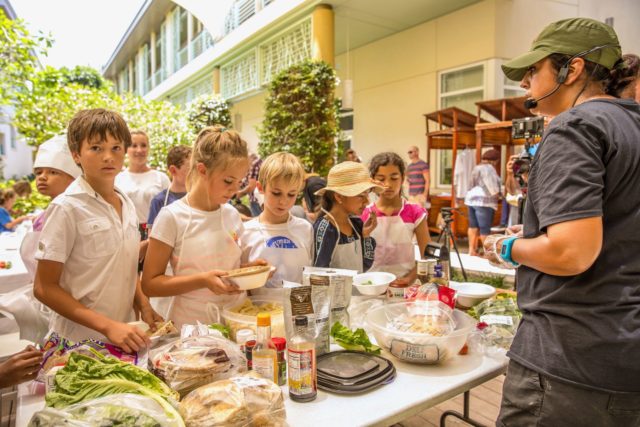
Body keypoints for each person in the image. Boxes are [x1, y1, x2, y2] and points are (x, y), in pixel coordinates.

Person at [486, 18, 640, 426]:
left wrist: (508, 247)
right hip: (623, 354)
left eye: (533, 70)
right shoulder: (632, 125)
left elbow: (571, 253)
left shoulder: (575, 126)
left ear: (571, 70)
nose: (525, 84)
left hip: (566, 364)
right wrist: (537, 232)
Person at [34, 109, 156, 352]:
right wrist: (108, 326)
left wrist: (143, 303)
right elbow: (43, 287)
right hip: (78, 343)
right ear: (76, 154)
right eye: (96, 148)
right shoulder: (67, 207)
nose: (108, 157)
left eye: (116, 148)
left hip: (123, 336)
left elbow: (124, 263)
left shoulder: (126, 203)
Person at [142, 126, 266, 328]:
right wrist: (202, 280)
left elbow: (230, 270)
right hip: (192, 327)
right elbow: (150, 284)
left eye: (239, 181)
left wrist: (250, 272)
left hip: (236, 321)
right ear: (202, 170)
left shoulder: (231, 214)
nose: (235, 189)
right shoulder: (172, 217)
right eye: (228, 181)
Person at [242, 152, 312, 293]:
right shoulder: (246, 231)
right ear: (261, 188)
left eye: (291, 194)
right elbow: (240, 280)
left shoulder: (305, 229)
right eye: (276, 193)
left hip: (297, 311)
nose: (283, 201)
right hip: (257, 312)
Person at [20, 134, 81, 280]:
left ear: (74, 178)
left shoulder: (72, 212)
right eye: (39, 172)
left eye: (53, 172)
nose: (42, 177)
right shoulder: (46, 212)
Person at [362, 152, 429, 284]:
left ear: (403, 179)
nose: (388, 184)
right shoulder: (364, 214)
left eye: (394, 178)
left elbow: (426, 255)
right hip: (371, 284)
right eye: (381, 179)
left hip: (405, 286)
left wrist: (408, 279)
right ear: (372, 181)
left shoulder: (415, 213)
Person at [313, 161, 382, 273]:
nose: (366, 202)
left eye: (367, 195)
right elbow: (319, 273)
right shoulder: (325, 228)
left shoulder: (357, 224)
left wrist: (366, 236)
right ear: (339, 197)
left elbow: (365, 265)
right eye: (361, 196)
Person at [463, 149, 501, 256]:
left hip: (471, 200)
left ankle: (471, 250)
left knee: (472, 226)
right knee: (485, 228)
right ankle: (487, 254)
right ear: (495, 160)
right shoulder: (490, 169)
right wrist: (499, 194)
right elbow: (492, 187)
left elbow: (470, 184)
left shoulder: (476, 167)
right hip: (484, 202)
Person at [147, 145, 191, 228]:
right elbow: (152, 238)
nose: (195, 173)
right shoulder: (159, 201)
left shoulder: (198, 198)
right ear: (173, 170)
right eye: (190, 169)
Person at [235, 152, 263, 217]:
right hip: (261, 200)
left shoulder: (254, 164)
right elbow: (246, 181)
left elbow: (252, 186)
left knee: (257, 222)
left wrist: (239, 194)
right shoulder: (260, 162)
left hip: (256, 200)